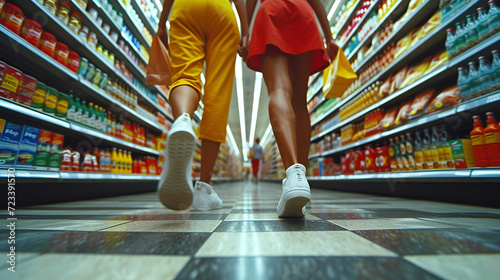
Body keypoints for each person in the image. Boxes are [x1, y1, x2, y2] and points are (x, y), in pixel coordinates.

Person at [245, 0, 338, 218]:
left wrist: (245, 32)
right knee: (299, 102)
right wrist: (330, 37)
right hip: (303, 14)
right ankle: (302, 179)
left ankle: (293, 176)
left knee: (279, 90)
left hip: (271, 13)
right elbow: (317, 3)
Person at [155, 0, 249, 211]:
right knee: (218, 94)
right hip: (222, 12)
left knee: (185, 76)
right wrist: (245, 29)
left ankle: (183, 120)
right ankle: (204, 187)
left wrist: (162, 24)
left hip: (186, 7)